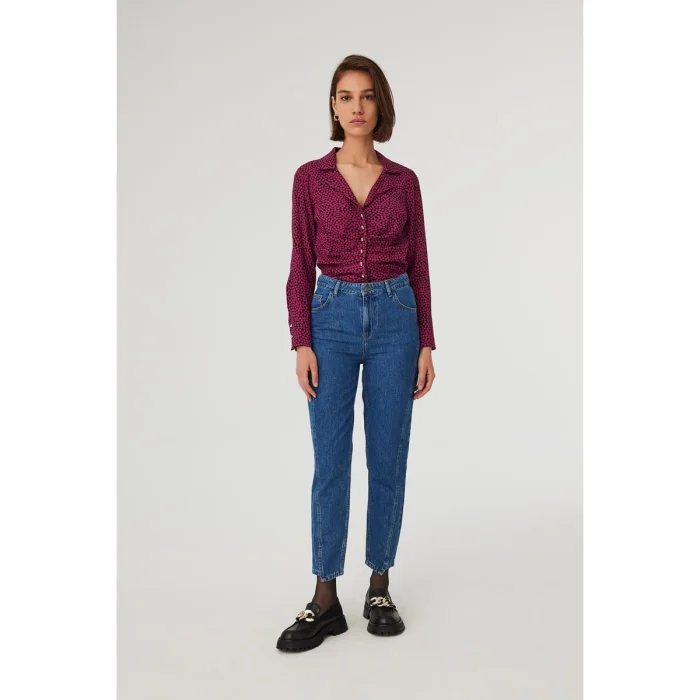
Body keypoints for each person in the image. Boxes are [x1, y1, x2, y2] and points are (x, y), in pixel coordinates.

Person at [276, 55, 436, 653]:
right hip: (332, 320)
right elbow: (300, 263)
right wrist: (301, 339)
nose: (356, 107)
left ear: (380, 104)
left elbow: (420, 263)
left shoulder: (404, 182)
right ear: (333, 106)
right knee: (331, 462)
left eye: (366, 95)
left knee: (388, 458)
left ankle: (379, 587)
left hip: (396, 320)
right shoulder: (310, 179)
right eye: (345, 96)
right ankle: (325, 598)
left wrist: (426, 340)